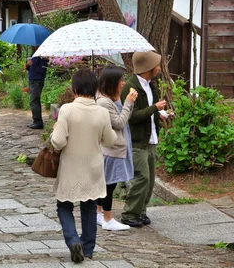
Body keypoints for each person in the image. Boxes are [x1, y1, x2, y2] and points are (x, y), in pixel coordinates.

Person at [50, 68, 116, 263]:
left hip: (71, 167)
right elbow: (110, 140)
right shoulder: (103, 112)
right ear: (95, 88)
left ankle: (73, 241)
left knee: (64, 206)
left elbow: (59, 142)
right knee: (88, 208)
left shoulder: (67, 110)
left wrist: (55, 131)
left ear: (75, 89)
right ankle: (87, 248)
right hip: (93, 168)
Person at [120, 51, 166, 227]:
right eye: (157, 64)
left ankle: (141, 212)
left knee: (150, 179)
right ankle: (130, 213)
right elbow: (132, 116)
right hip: (137, 141)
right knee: (142, 178)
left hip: (151, 139)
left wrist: (160, 113)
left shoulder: (149, 85)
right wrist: (154, 108)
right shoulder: (130, 88)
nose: (159, 68)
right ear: (150, 68)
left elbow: (148, 111)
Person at [96, 66, 138, 231]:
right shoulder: (104, 102)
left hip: (113, 147)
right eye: (120, 80)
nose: (123, 83)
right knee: (109, 184)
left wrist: (125, 102)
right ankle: (108, 218)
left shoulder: (110, 98)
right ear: (112, 82)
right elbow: (119, 122)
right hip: (111, 148)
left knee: (106, 182)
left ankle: (99, 213)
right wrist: (128, 102)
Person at [26, 47, 48, 129]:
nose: (32, 46)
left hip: (37, 81)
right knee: (35, 101)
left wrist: (33, 65)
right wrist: (28, 66)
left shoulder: (43, 56)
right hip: (32, 80)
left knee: (33, 101)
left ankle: (38, 122)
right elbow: (30, 68)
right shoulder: (33, 55)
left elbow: (42, 70)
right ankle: (36, 121)